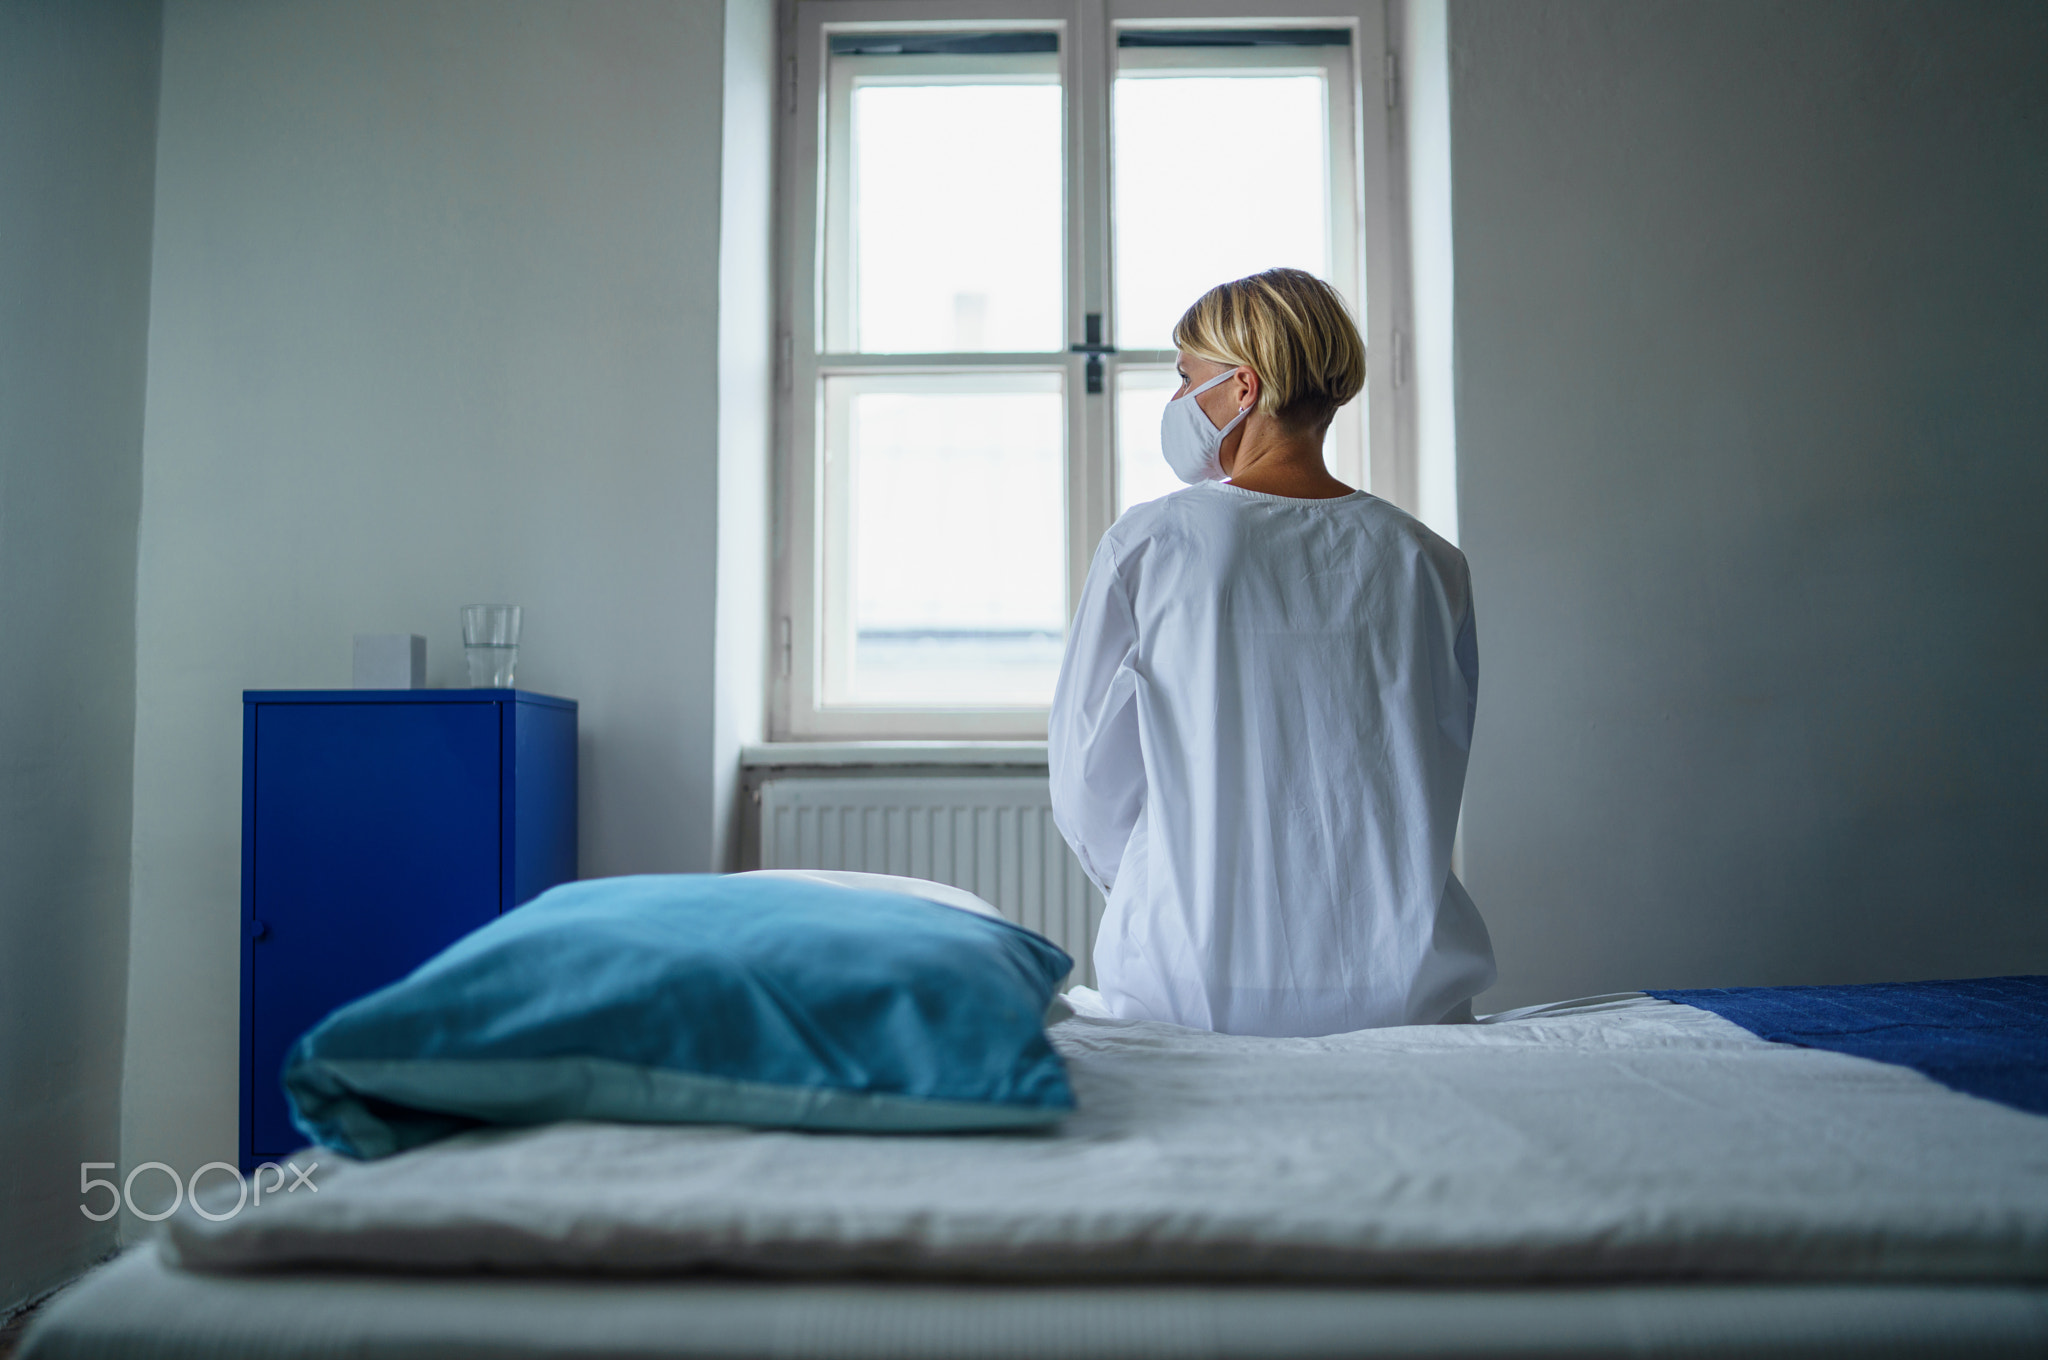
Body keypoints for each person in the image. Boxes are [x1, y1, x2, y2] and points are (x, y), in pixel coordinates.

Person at [1049, 268, 1495, 1037]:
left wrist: (1173, 880)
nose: (1178, 399)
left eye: (1187, 377)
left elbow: (1087, 777)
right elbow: (1436, 762)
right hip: (1405, 992)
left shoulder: (1152, 545)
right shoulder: (1429, 561)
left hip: (1190, 986)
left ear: (1243, 387)